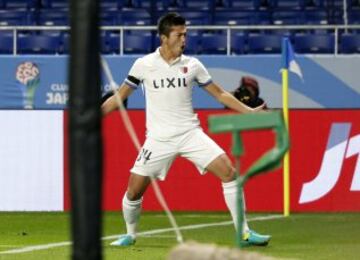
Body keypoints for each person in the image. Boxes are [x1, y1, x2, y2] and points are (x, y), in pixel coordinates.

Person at [101, 12, 270, 247]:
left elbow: (220, 93)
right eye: (179, 35)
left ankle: (244, 232)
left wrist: (249, 112)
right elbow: (120, 97)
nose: (184, 40)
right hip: (158, 139)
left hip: (191, 134)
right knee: (133, 192)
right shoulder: (144, 65)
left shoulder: (192, 65)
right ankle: (130, 234)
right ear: (164, 37)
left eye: (185, 35)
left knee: (229, 172)